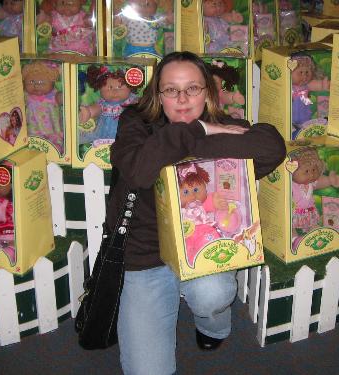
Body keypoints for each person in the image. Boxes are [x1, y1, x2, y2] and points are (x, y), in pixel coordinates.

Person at [108, 51, 285, 375]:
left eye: (193, 88)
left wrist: (197, 134)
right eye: (171, 90)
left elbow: (271, 147)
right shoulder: (136, 122)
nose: (183, 98)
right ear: (157, 95)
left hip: (205, 248)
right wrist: (197, 131)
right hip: (146, 258)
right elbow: (138, 170)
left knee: (212, 294)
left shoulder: (223, 124)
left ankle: (213, 326)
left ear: (208, 92)